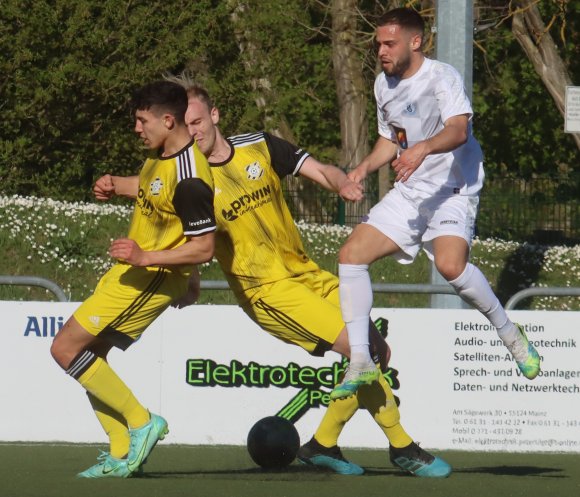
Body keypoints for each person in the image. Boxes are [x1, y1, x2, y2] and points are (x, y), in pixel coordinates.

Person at [171, 78, 451, 477]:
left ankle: (323, 443)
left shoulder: (257, 145)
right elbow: (195, 238)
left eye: (197, 121)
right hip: (266, 291)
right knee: (363, 355)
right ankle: (402, 446)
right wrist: (192, 280)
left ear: (214, 115)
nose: (193, 131)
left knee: (378, 350)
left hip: (305, 273)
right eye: (185, 126)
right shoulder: (192, 180)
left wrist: (343, 183)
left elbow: (318, 169)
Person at [332, 7, 541, 400]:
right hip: (412, 192)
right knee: (350, 255)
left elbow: (459, 130)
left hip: (452, 189)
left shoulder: (442, 76)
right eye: (378, 43)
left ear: (415, 42)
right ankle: (359, 360)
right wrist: (360, 170)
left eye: (389, 43)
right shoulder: (382, 84)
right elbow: (392, 139)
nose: (381, 50)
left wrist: (423, 149)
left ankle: (511, 335)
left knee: (449, 266)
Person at [50, 81, 216, 478]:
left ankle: (142, 423)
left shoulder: (192, 177)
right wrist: (117, 185)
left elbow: (204, 247)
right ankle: (122, 452)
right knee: (93, 356)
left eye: (142, 121)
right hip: (134, 273)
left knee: (65, 349)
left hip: (151, 277)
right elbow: (154, 191)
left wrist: (148, 257)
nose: (137, 129)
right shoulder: (162, 158)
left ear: (168, 119)